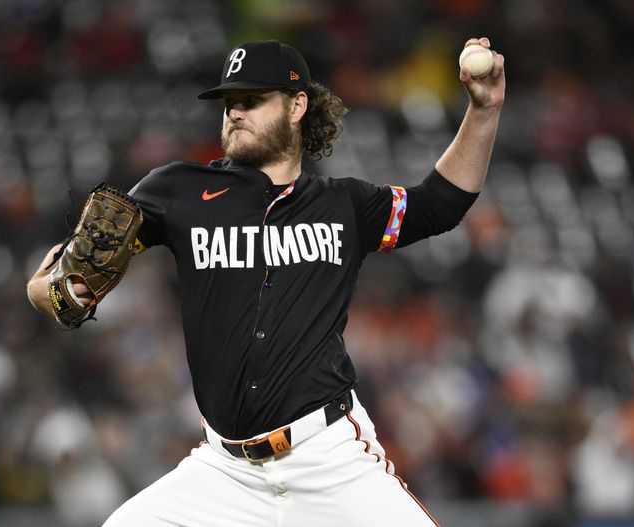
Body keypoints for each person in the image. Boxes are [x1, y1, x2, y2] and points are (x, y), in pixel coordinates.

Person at [27, 37, 505, 526]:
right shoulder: (178, 191)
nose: (235, 112)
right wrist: (46, 293)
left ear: (297, 105)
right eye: (230, 102)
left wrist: (483, 112)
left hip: (328, 458)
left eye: (252, 100)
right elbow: (70, 274)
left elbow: (439, 204)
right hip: (224, 472)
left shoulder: (343, 205)